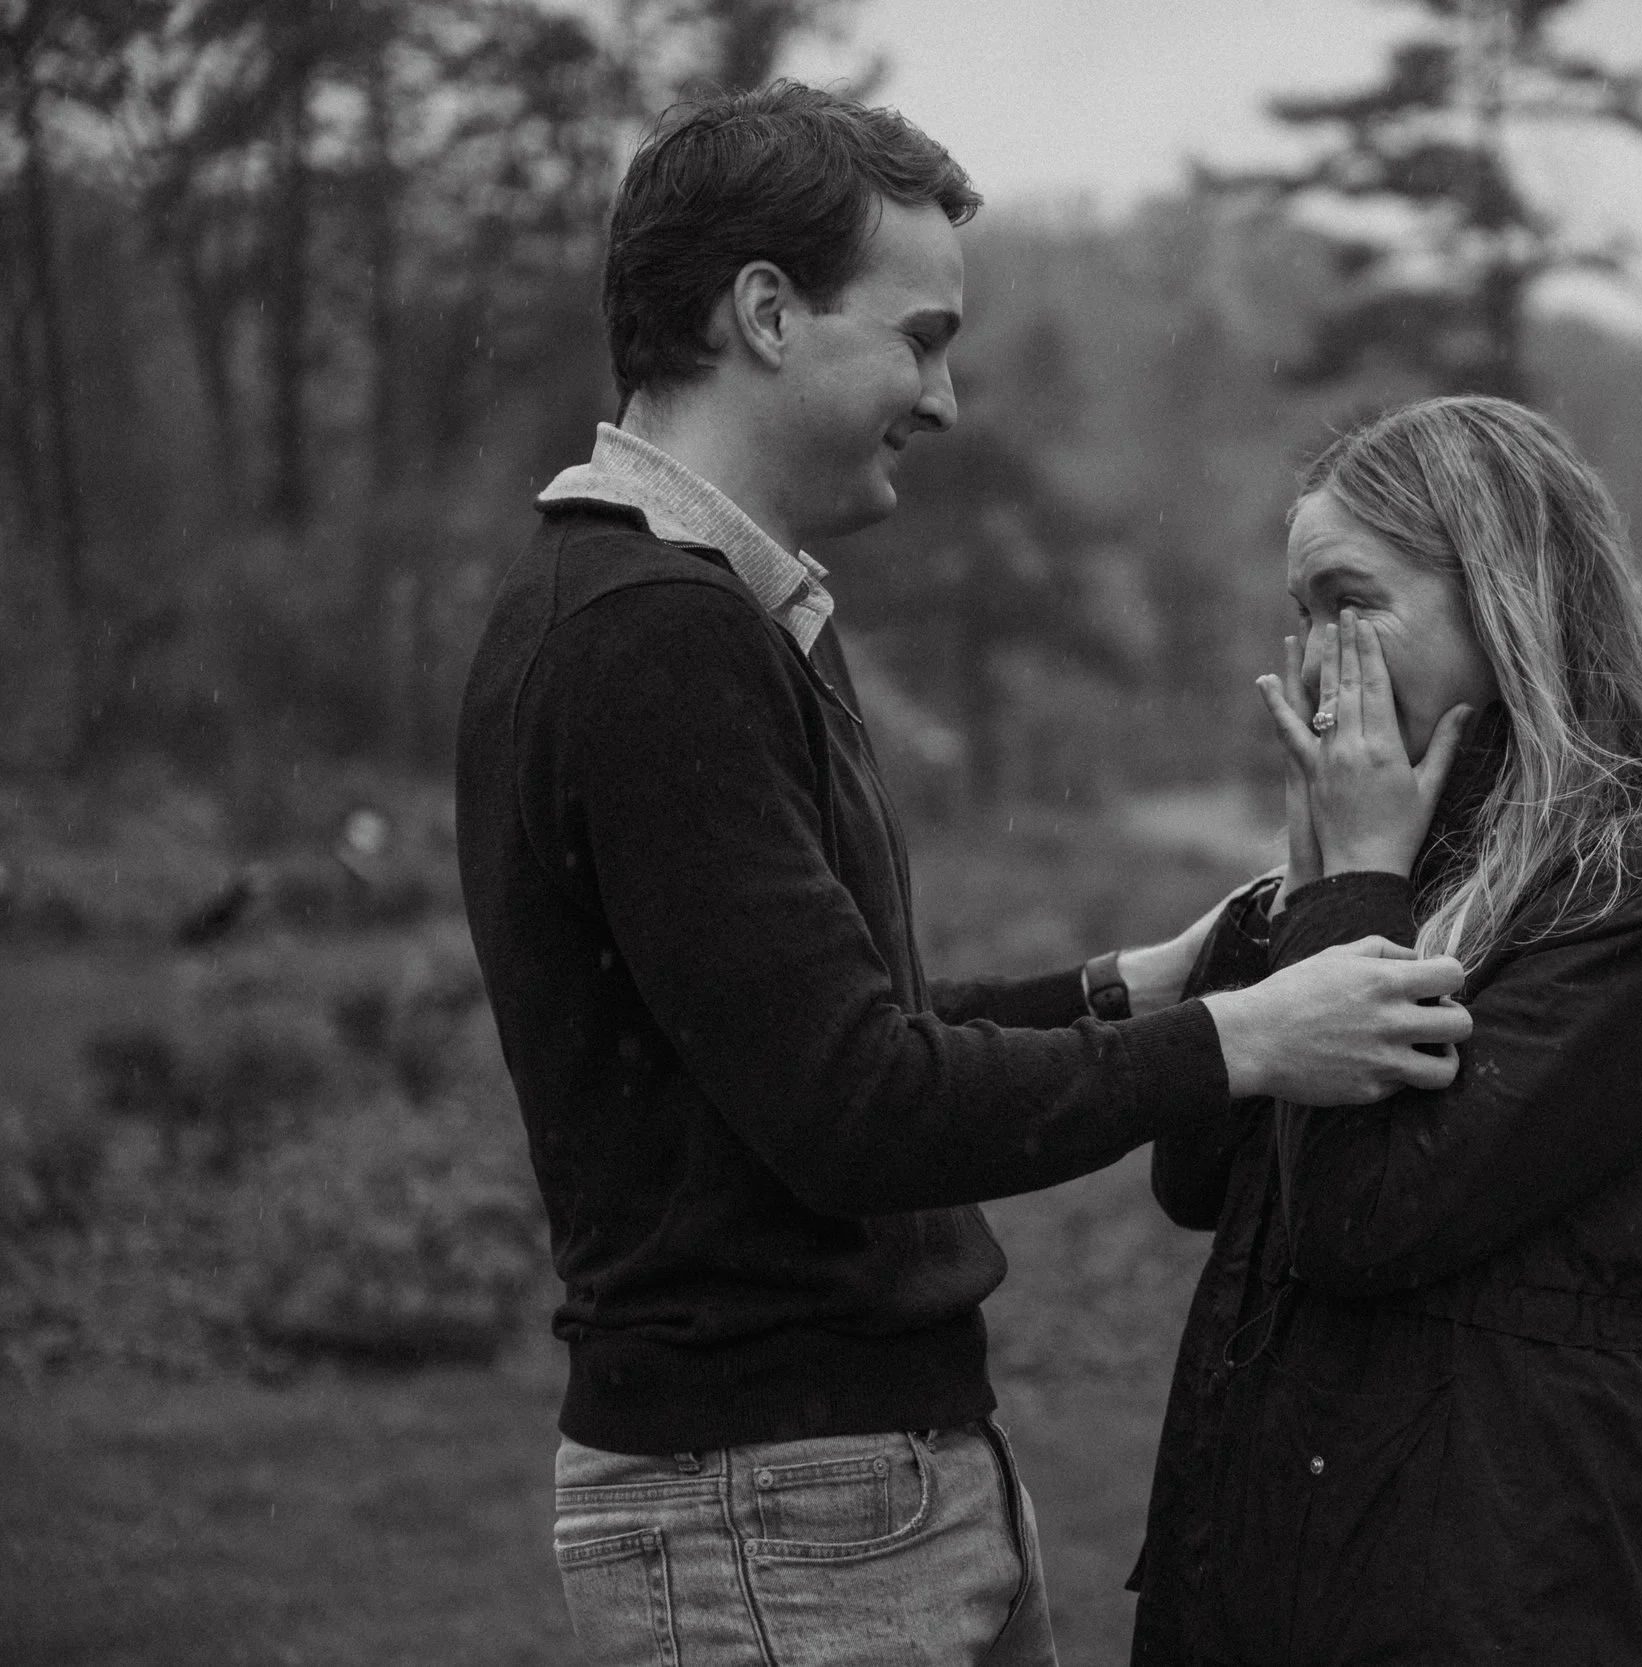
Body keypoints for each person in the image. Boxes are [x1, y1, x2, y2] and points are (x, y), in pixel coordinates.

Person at [453, 84, 1472, 1667]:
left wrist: (1135, 983)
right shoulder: (652, 637)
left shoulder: (698, 612)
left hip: (841, 1484)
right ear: (768, 315)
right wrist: (1251, 1041)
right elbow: (854, 1109)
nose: (944, 396)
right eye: (921, 337)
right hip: (775, 1508)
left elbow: (803, 1038)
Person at [1128, 396, 1642, 1666]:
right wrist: (1308, 893)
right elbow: (1196, 1180)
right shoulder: (1399, 850)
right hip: (1268, 1559)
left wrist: (1349, 886)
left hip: (1483, 1581)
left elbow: (1360, 1221)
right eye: (1301, 616)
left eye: (1351, 602)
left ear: (1506, 595)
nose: (1315, 663)